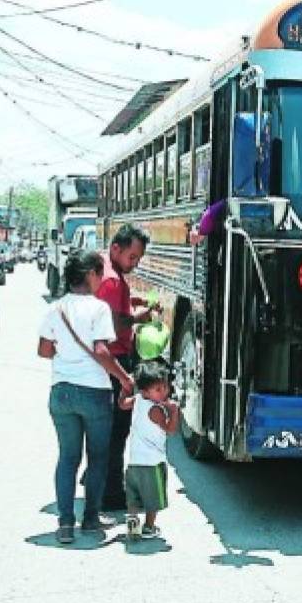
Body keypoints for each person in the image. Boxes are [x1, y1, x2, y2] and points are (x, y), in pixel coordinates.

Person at [37, 250, 134, 544]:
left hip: (62, 392)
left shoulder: (55, 308)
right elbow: (103, 351)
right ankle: (91, 520)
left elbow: (43, 350)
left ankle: (65, 523)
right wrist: (124, 378)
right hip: (94, 393)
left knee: (67, 457)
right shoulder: (99, 308)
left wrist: (64, 352)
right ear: (90, 274)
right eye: (99, 274)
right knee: (98, 457)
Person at [96, 223, 159, 512]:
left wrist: (133, 300)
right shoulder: (111, 279)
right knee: (117, 431)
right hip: (115, 359)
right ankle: (111, 493)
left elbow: (116, 304)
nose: (134, 263)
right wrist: (140, 318)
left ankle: (97, 479)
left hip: (112, 359)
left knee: (112, 429)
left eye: (138, 258)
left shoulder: (111, 274)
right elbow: (113, 321)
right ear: (116, 249)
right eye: (132, 257)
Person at [117, 359, 180, 540]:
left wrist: (125, 388)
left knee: (133, 501)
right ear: (145, 391)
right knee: (153, 500)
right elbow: (171, 430)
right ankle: (149, 527)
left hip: (134, 462)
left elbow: (122, 404)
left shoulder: (137, 400)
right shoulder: (156, 410)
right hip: (153, 463)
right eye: (158, 389)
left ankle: (133, 530)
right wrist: (174, 412)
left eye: (165, 387)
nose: (165, 392)